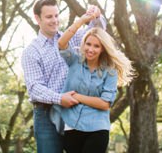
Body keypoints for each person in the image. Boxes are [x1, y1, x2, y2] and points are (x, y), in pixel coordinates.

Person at [21, 0, 104, 153]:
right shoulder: (31, 52)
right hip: (46, 115)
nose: (54, 20)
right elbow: (35, 88)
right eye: (49, 17)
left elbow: (96, 33)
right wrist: (60, 98)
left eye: (56, 15)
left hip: (76, 111)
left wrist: (96, 16)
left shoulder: (74, 37)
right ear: (37, 18)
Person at [55, 16, 134, 153]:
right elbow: (61, 43)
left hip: (97, 128)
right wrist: (80, 21)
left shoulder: (110, 72)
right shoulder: (74, 60)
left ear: (103, 49)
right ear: (83, 44)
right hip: (72, 125)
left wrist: (78, 97)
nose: (91, 49)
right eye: (88, 44)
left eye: (96, 46)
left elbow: (105, 103)